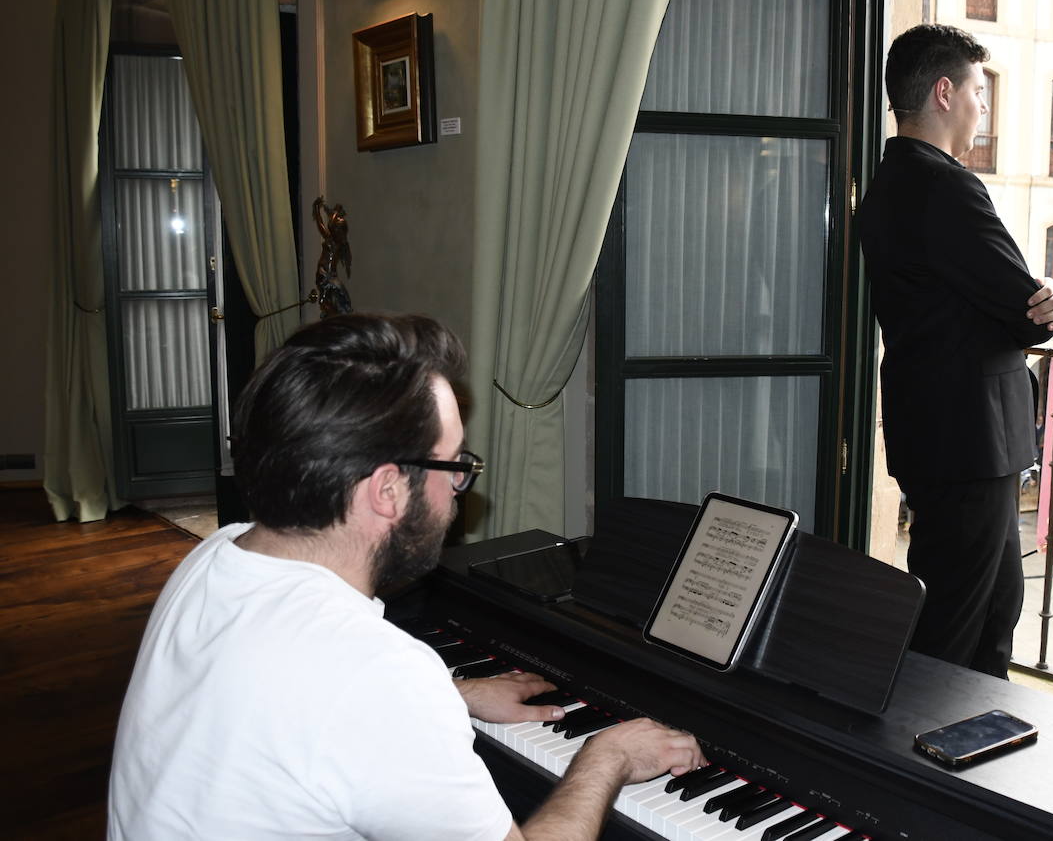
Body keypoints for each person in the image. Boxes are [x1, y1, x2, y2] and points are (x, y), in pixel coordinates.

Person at [108, 313, 704, 840]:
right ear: (388, 489)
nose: (460, 488)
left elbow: (287, 707)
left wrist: (455, 694)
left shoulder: (218, 555)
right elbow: (353, 692)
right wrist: (607, 757)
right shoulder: (372, 670)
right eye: (455, 465)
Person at [857, 24, 1053, 679]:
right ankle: (917, 763)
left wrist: (1037, 294)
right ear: (945, 92)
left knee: (991, 606)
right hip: (969, 442)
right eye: (980, 90)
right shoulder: (945, 187)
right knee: (956, 624)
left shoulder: (889, 184)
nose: (984, 107)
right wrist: (1052, 291)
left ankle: (971, 746)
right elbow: (1025, 312)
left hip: (943, 438)